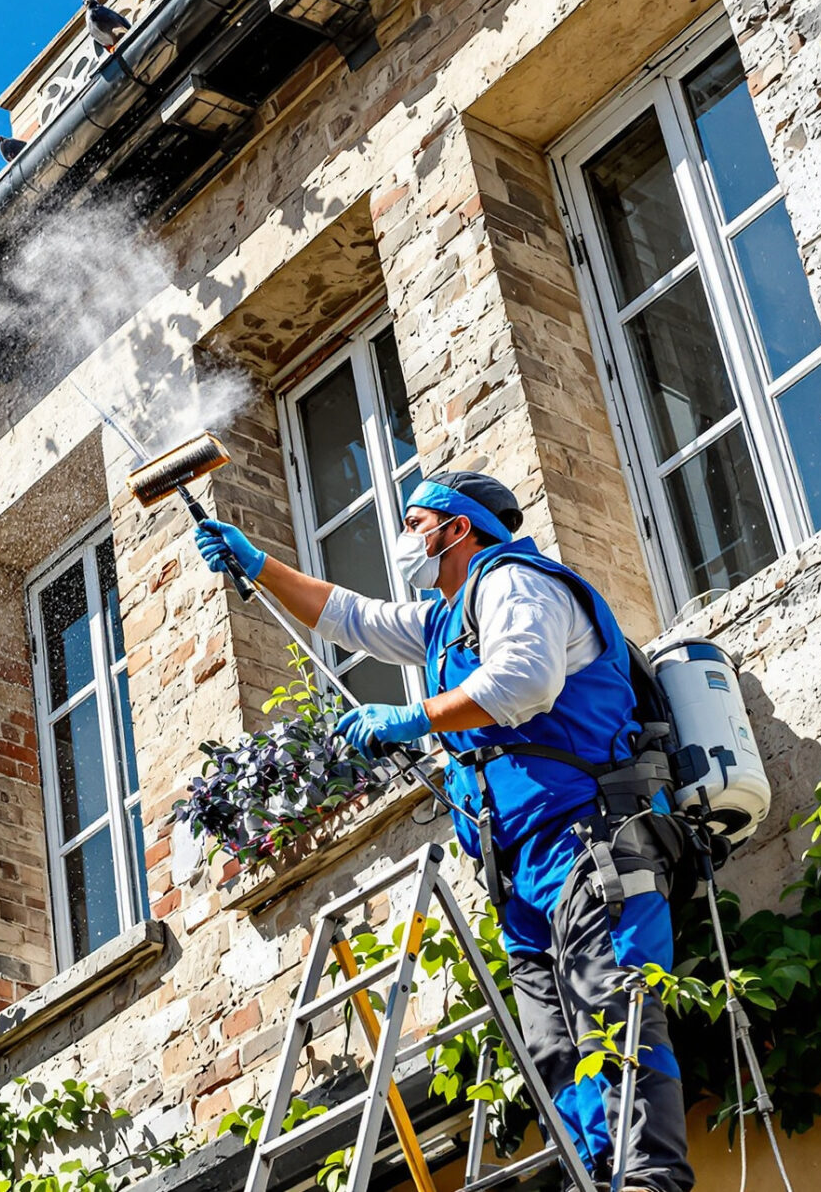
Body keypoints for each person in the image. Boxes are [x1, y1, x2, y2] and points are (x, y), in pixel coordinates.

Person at [194, 470, 690, 1192]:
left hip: (590, 842)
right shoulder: (444, 620)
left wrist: (415, 716)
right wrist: (257, 564)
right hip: (522, 871)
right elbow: (350, 617)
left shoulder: (513, 582)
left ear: (457, 529)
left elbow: (526, 681)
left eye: (414, 521)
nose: (403, 538)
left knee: (616, 1021)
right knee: (555, 1050)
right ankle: (595, 1178)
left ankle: (646, 1180)